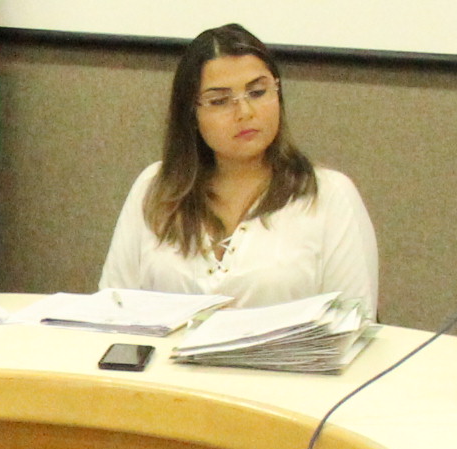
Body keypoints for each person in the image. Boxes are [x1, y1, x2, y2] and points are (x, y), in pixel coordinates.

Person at [97, 23, 377, 312]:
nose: (244, 112)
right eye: (220, 101)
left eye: (257, 92)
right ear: (191, 114)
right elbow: (111, 312)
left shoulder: (328, 195)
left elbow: (355, 321)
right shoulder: (155, 187)